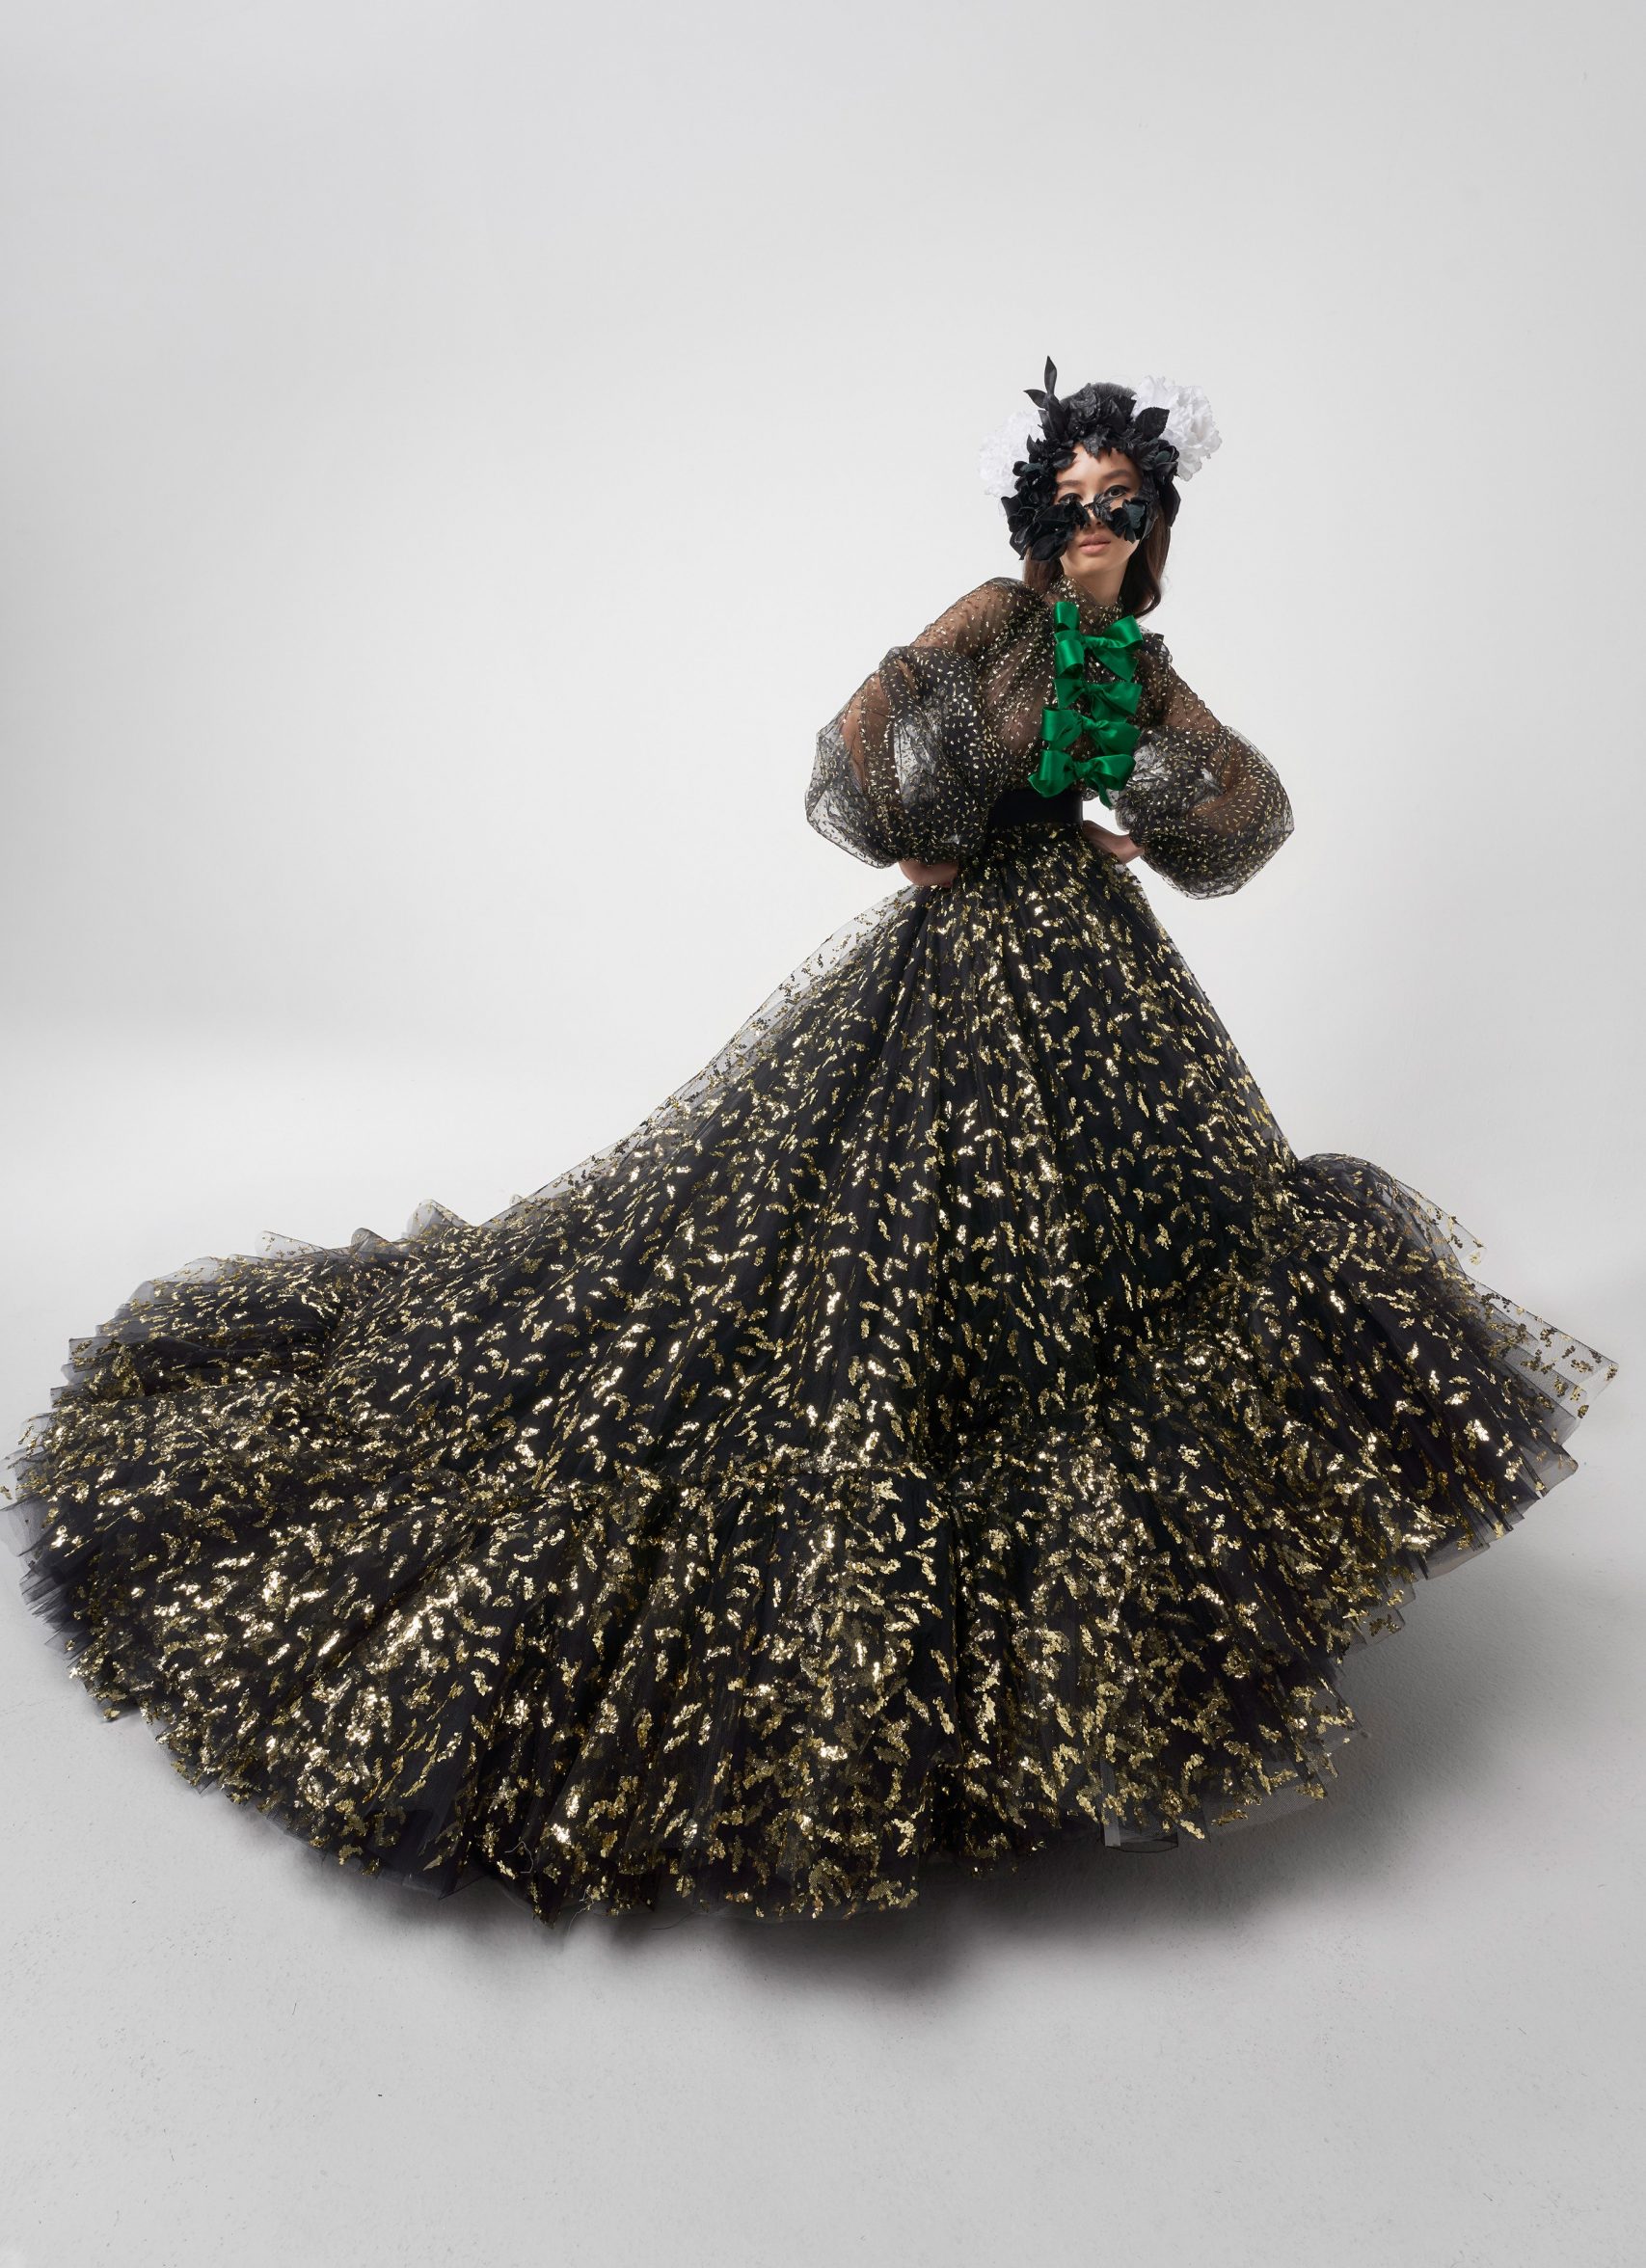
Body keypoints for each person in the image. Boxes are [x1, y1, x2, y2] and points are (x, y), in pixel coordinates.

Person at [3, 360, 1618, 1928]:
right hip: (967, 954)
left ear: (1157, 519)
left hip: (1094, 960)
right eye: (1071, 506)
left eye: (1122, 505)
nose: (1094, 529)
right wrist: (921, 836)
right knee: (892, 1217)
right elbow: (865, 725)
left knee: (1118, 1229)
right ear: (1034, 519)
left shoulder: (1139, 656)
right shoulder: (992, 619)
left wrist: (1155, 817)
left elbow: (1245, 802)